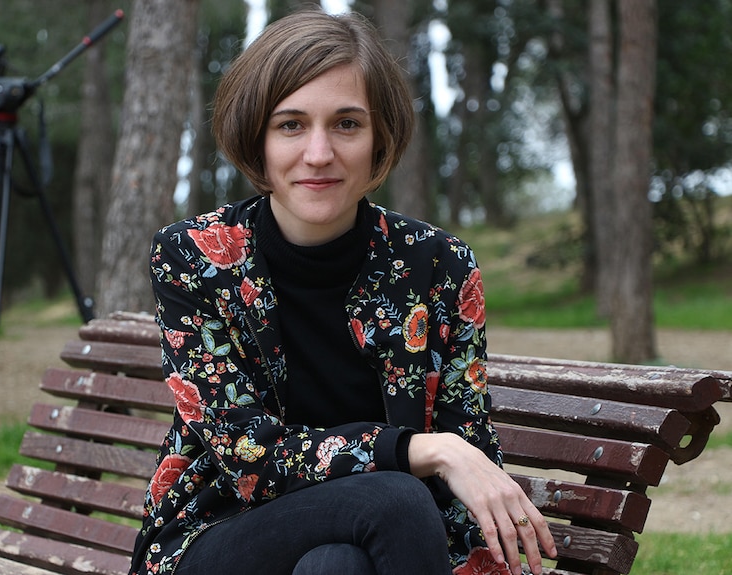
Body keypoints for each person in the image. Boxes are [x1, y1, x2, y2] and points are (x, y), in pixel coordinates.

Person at [130, 8, 556, 575]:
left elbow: (467, 458)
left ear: (380, 136)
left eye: (347, 124)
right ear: (256, 137)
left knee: (338, 564)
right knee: (394, 495)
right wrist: (423, 450)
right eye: (291, 125)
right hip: (220, 535)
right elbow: (249, 457)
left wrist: (459, 468)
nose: (319, 154)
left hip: (377, 544)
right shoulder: (193, 257)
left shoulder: (439, 267)